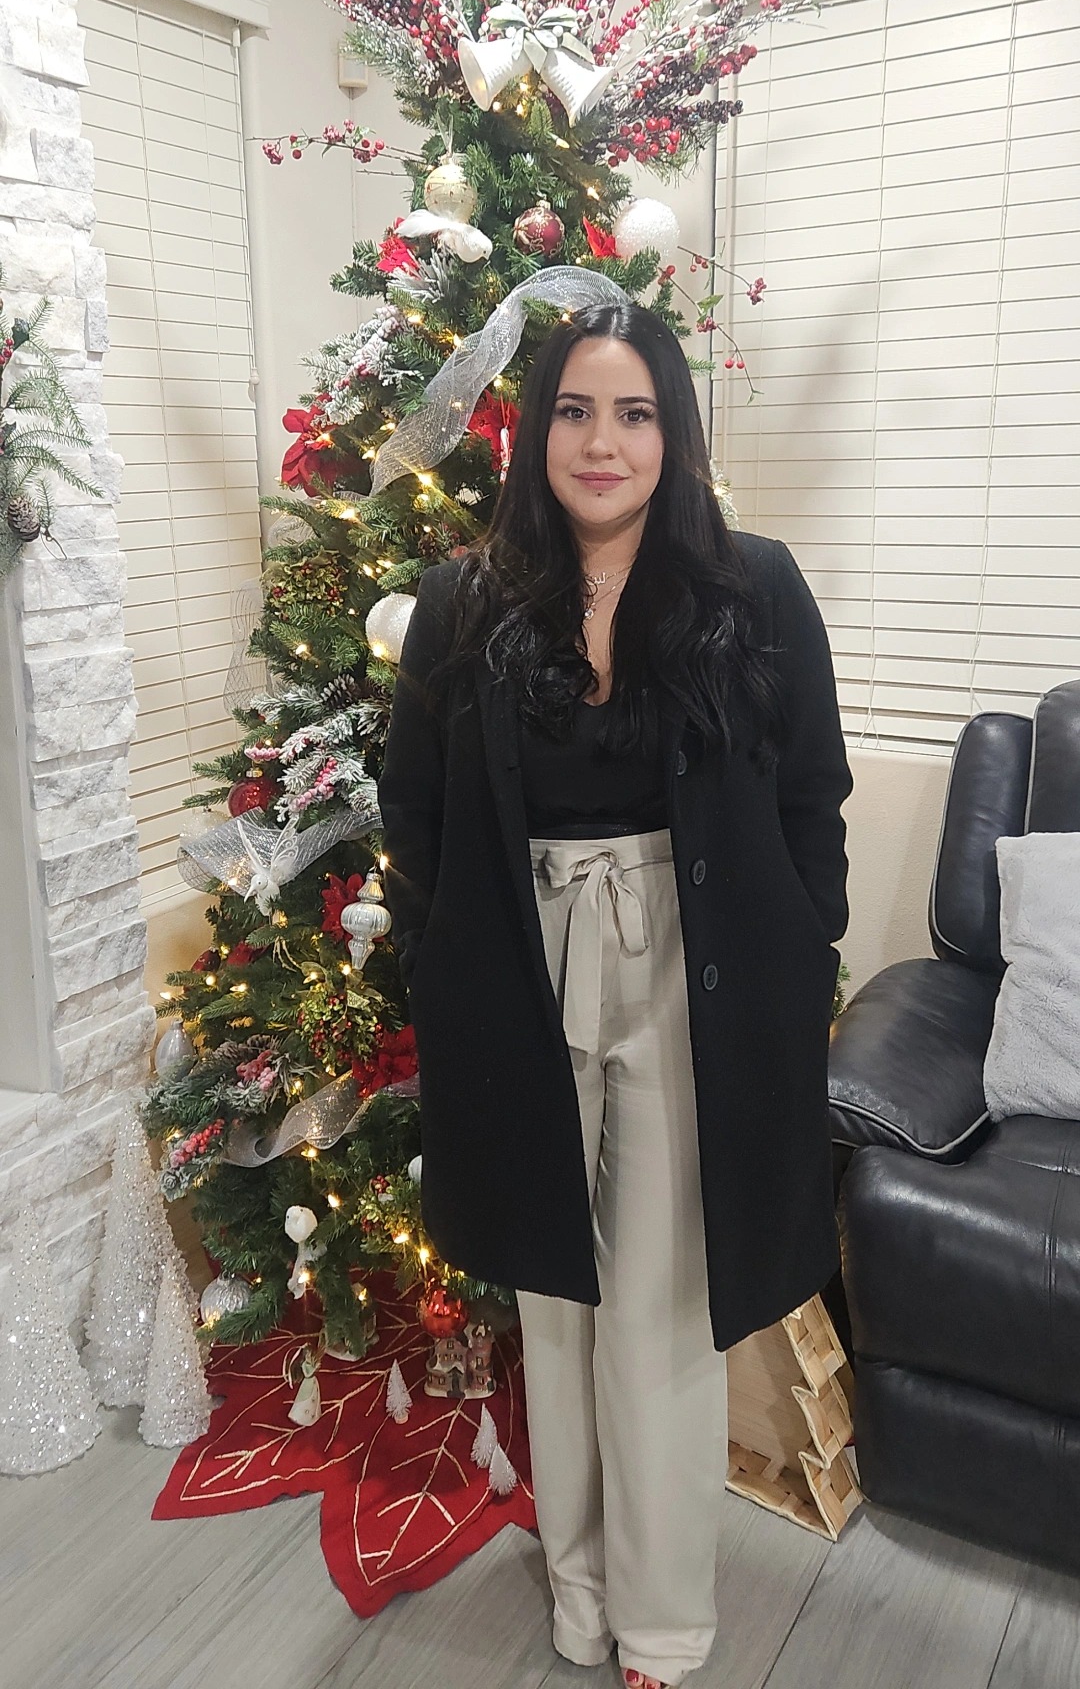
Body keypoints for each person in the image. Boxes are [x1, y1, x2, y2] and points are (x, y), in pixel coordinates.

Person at [378, 299, 853, 1689]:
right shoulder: (467, 600)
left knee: (656, 1302)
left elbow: (812, 790)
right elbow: (416, 811)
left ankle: (659, 1620)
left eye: (635, 413)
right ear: (536, 431)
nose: (604, 442)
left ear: (672, 430)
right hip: (517, 967)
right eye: (576, 411)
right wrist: (439, 963)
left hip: (691, 964)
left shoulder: (753, 587)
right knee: (555, 1296)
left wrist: (804, 945)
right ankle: (577, 1589)